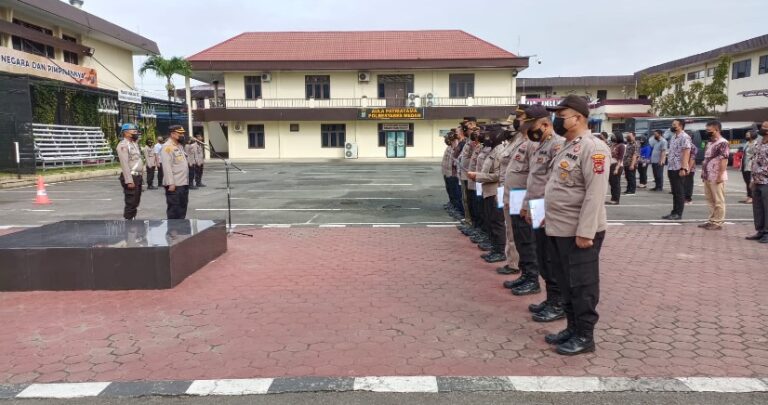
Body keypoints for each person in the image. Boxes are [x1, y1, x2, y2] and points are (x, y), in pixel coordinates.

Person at [543, 95, 610, 355]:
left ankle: (585, 336)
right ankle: (572, 327)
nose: (557, 119)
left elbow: (595, 193)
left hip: (578, 232)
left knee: (582, 285)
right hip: (559, 228)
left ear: (579, 118)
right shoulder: (567, 146)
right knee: (565, 282)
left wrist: (586, 231)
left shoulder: (594, 148)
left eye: (561, 115)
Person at [520, 105, 565, 322]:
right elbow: (533, 180)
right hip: (536, 206)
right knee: (542, 255)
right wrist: (527, 205)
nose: (531, 131)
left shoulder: (557, 145)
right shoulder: (540, 145)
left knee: (550, 257)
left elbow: (552, 182)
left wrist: (542, 208)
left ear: (546, 124)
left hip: (547, 209)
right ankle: (551, 298)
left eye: (534, 126)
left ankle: (558, 303)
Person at [502, 109, 540, 296]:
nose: (518, 121)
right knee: (519, 238)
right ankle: (525, 274)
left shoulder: (533, 144)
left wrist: (528, 204)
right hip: (516, 197)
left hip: (525, 198)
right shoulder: (520, 141)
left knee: (527, 240)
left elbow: (536, 176)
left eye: (522, 118)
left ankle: (532, 279)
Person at [468, 125, 507, 263]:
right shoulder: (492, 150)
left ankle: (500, 251)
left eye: (488, 134)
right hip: (487, 191)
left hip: (495, 192)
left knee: (497, 222)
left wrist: (478, 176)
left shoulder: (500, 151)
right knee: (490, 221)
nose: (485, 137)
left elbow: (498, 175)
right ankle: (494, 248)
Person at [699, 120, 730, 230]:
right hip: (708, 175)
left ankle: (718, 222)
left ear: (717, 130)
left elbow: (724, 160)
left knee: (718, 200)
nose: (707, 132)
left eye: (709, 130)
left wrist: (720, 175)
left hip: (716, 175)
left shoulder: (723, 143)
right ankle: (711, 220)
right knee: (710, 200)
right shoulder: (710, 143)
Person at [663, 119, 692, 220]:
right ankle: (674, 212)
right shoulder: (673, 137)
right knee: (674, 191)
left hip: (679, 167)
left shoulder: (685, 137)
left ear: (680, 126)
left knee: (679, 192)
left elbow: (686, 152)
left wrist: (683, 168)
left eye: (674, 125)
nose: (672, 126)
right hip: (671, 167)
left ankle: (678, 213)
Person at [161, 125, 191, 219]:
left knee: (182, 209)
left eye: (183, 133)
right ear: (173, 134)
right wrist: (171, 183)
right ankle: (173, 233)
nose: (182, 135)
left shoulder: (179, 146)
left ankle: (180, 232)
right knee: (174, 210)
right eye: (180, 133)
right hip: (175, 184)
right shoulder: (167, 147)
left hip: (183, 183)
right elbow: (167, 167)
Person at [746, 121, 768, 243]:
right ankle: (760, 230)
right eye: (762, 127)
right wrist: (752, 179)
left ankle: (767, 232)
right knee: (758, 207)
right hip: (756, 181)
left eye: (765, 128)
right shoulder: (759, 142)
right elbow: (754, 160)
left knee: (767, 208)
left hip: (766, 181)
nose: (762, 129)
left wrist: (760, 173)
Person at [116, 123, 144, 220]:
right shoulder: (123, 145)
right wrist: (129, 180)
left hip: (137, 176)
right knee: (131, 201)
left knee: (136, 200)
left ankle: (133, 220)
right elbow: (124, 164)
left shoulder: (134, 144)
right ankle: (128, 224)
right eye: (134, 131)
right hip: (131, 177)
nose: (136, 133)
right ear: (126, 133)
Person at [607, 132, 625, 205]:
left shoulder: (621, 146)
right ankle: (613, 198)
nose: (612, 137)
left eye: (614, 136)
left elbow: (620, 158)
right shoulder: (614, 145)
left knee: (616, 183)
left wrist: (616, 168)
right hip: (611, 165)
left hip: (617, 165)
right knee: (612, 183)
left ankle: (616, 199)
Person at [741, 130, 757, 204]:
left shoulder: (756, 144)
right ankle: (749, 196)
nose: (746, 136)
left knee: (750, 182)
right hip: (745, 165)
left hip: (751, 165)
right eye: (746, 135)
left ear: (752, 135)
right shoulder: (747, 143)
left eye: (748, 135)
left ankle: (752, 197)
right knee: (747, 182)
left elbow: (756, 154)